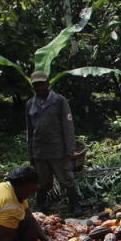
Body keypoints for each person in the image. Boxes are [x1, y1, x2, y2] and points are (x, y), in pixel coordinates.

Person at [26, 71, 82, 215]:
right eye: (36, 85)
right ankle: (41, 206)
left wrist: (69, 150)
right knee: (43, 182)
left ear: (47, 84)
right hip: (40, 151)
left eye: (41, 84)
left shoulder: (59, 101)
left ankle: (75, 206)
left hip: (58, 149)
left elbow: (68, 126)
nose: (39, 87)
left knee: (66, 179)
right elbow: (29, 131)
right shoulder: (30, 104)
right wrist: (31, 153)